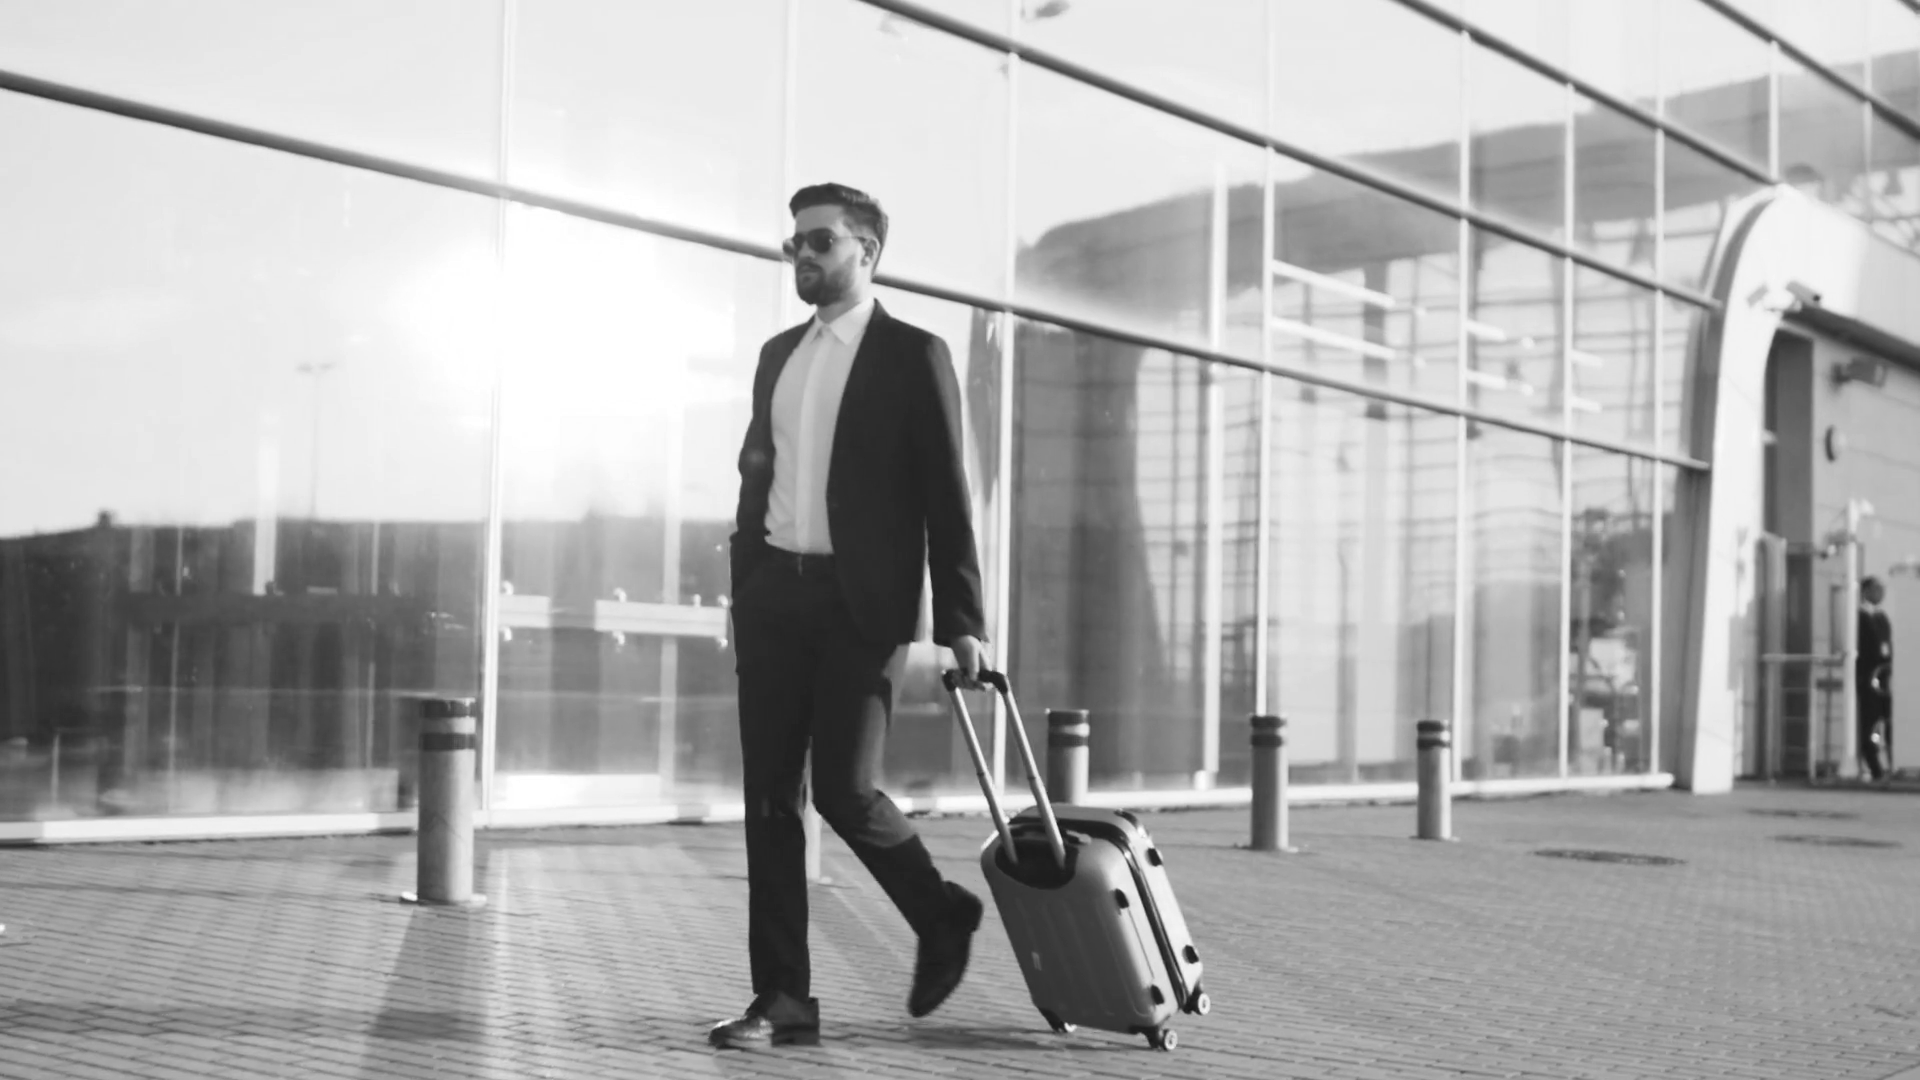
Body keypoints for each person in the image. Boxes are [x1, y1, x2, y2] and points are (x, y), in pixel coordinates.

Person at [709, 183, 992, 1051]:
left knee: (843, 787)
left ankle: (940, 911)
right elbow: (759, 471)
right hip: (775, 597)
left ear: (866, 251)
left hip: (860, 603)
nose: (802, 253)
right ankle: (783, 1000)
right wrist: (747, 578)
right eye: (793, 241)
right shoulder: (776, 355)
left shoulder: (915, 355)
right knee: (768, 802)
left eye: (820, 240)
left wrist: (962, 619)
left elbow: (948, 492)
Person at [1859, 575, 1894, 781]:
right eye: (1876, 589)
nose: (1881, 593)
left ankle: (1893, 763)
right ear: (1865, 591)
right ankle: (1875, 767)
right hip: (1867, 678)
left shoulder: (1881, 617)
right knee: (1869, 722)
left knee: (1888, 720)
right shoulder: (1860, 617)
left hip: (1884, 677)